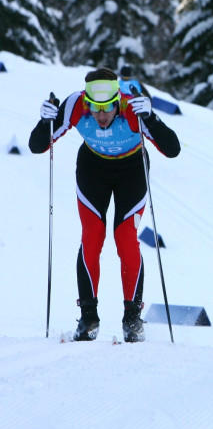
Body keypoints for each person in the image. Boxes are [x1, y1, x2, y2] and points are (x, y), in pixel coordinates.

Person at [30, 67, 180, 342]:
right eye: (95, 108)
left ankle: (132, 319)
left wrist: (152, 118)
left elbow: (173, 149)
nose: (100, 115)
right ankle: (88, 319)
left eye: (107, 108)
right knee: (91, 236)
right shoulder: (76, 104)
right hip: (93, 168)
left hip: (132, 169)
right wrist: (44, 121)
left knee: (125, 237)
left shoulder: (132, 109)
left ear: (117, 102)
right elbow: (37, 145)